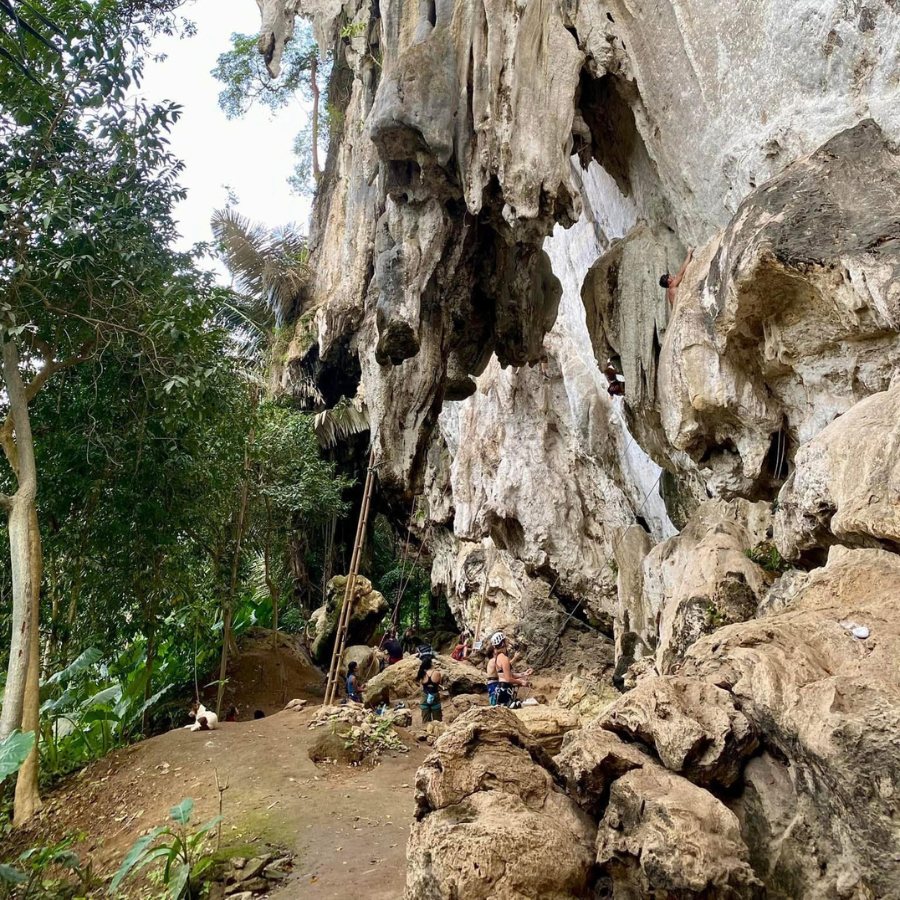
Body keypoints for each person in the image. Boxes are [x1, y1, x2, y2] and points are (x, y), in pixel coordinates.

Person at [491, 631, 532, 708]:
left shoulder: (498, 657)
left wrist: (524, 674)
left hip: (501, 690)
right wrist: (521, 681)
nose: (507, 641)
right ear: (502, 643)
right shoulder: (504, 658)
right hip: (505, 691)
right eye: (505, 640)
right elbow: (508, 679)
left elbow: (509, 674)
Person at [417, 651, 443, 723]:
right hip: (435, 696)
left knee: (425, 721)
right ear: (431, 664)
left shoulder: (422, 674)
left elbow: (421, 684)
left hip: (425, 697)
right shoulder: (437, 673)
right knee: (437, 721)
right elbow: (440, 683)